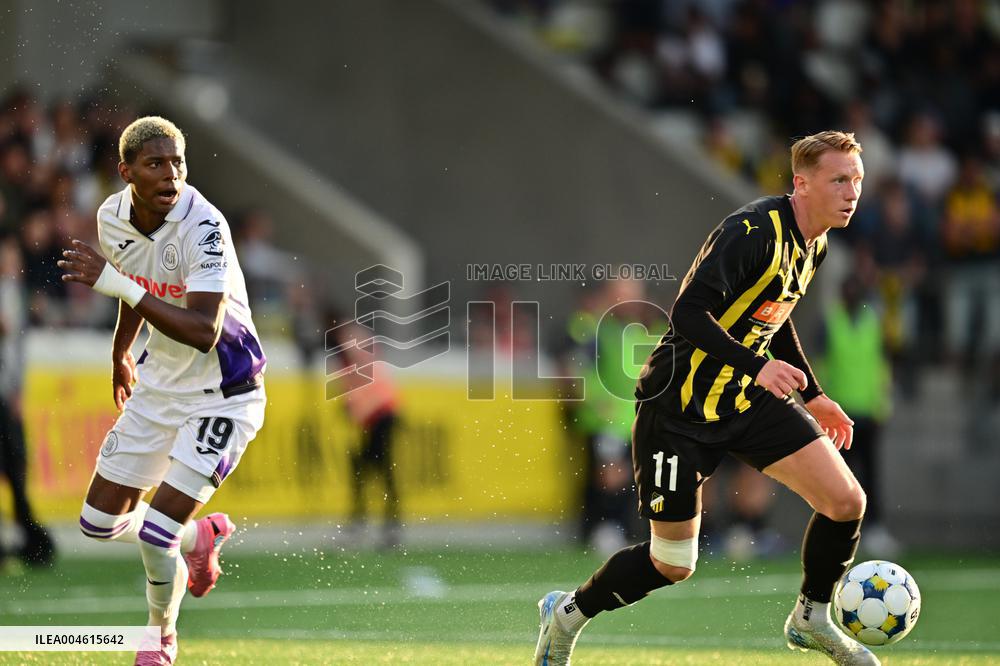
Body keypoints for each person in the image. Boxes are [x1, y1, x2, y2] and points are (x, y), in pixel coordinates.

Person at [535, 131, 878, 666]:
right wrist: (760, 366)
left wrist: (813, 395)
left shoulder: (816, 242)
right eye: (839, 179)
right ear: (801, 184)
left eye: (856, 179)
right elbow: (690, 314)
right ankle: (567, 614)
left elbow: (775, 317)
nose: (852, 191)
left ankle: (812, 617)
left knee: (846, 502)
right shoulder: (751, 232)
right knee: (673, 562)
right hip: (677, 410)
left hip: (743, 400)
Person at [58, 116, 266, 665]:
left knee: (154, 534)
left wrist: (115, 283)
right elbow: (135, 282)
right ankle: (199, 540)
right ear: (126, 172)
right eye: (155, 164)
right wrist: (120, 350)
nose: (170, 174)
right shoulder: (112, 217)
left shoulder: (206, 227)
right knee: (97, 523)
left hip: (226, 390)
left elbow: (204, 331)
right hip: (158, 388)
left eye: (177, 162)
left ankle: (160, 636)